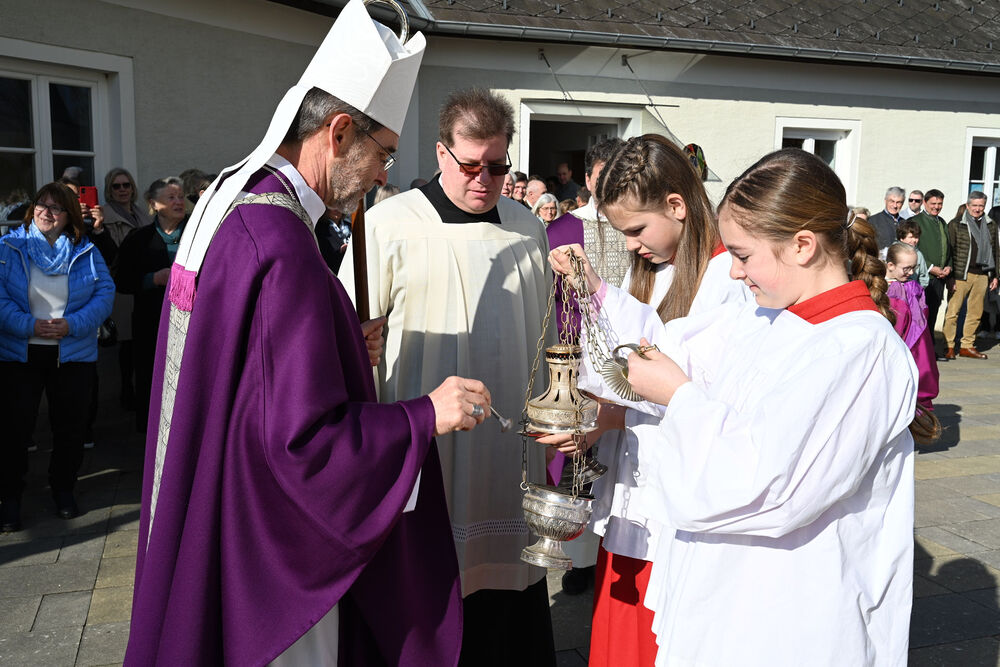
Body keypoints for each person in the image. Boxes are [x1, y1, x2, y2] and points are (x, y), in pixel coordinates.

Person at [125, 2, 493, 664]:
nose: (384, 174)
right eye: (383, 152)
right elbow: (299, 447)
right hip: (267, 559)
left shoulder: (236, 204)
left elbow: (246, 374)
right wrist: (424, 416)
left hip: (211, 496)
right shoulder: (282, 242)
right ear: (340, 132)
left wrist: (342, 339)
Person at [548, 147, 936, 666]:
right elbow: (666, 347)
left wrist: (678, 397)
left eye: (743, 255)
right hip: (729, 599)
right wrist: (596, 296)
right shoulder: (763, 317)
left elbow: (766, 485)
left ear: (802, 246)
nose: (732, 272)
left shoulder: (859, 350)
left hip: (788, 611)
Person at [341, 87, 555, 666]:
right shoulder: (388, 225)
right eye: (470, 165)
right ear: (441, 153)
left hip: (508, 449)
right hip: (425, 441)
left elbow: (545, 336)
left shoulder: (526, 227)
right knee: (431, 581)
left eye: (498, 167)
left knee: (508, 596)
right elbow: (348, 337)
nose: (485, 180)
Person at [546, 134, 749, 666]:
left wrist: (598, 292)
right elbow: (628, 369)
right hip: (636, 488)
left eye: (636, 230)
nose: (631, 245)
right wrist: (596, 416)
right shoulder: (657, 270)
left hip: (678, 500)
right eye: (622, 233)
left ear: (677, 205)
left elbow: (685, 381)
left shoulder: (726, 278)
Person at [0, 182, 114, 532]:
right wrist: (29, 325)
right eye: (41, 205)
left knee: (71, 428)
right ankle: (10, 499)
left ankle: (64, 489)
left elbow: (105, 293)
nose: (46, 213)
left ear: (69, 216)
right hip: (20, 354)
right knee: (14, 431)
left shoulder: (86, 249)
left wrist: (73, 324)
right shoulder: (9, 247)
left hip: (73, 354)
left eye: (55, 208)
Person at [114, 177, 187, 433]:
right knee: (151, 377)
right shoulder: (138, 238)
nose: (179, 202)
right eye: (171, 197)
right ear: (154, 204)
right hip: (151, 323)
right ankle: (152, 434)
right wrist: (153, 279)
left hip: (191, 322)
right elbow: (121, 279)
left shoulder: (198, 234)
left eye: (181, 196)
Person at [99, 168, 153, 409]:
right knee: (126, 341)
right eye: (116, 186)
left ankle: (140, 390)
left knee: (141, 339)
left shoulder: (143, 213)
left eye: (126, 185)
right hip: (119, 283)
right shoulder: (104, 216)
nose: (122, 190)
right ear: (109, 190)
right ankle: (126, 390)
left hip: (144, 282)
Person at [942, 191, 998, 359]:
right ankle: (949, 346)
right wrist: (950, 276)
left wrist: (995, 275)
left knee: (975, 313)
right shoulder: (956, 224)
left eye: (981, 205)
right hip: (961, 274)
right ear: (967, 205)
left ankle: (967, 346)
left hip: (982, 274)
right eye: (974, 205)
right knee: (953, 312)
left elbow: (996, 251)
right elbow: (949, 251)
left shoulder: (991, 224)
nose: (977, 209)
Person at [886, 241, 939, 411]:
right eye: (906, 268)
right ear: (890, 265)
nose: (911, 273)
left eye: (914, 268)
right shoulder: (888, 290)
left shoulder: (912, 288)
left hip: (914, 347)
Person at [912, 189, 950, 355]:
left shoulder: (942, 222)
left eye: (939, 204)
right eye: (933, 203)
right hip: (922, 277)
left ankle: (929, 349)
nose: (936, 207)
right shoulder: (916, 222)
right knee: (921, 314)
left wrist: (948, 266)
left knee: (933, 313)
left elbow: (948, 248)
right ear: (925, 203)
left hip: (940, 278)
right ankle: (920, 350)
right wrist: (930, 267)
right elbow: (912, 248)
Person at [869, 186, 905, 253]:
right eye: (892, 201)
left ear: (902, 203)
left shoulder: (905, 223)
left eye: (898, 202)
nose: (895, 206)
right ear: (885, 201)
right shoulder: (872, 221)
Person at [896, 219, 929, 287]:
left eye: (916, 237)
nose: (914, 240)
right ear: (901, 238)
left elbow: (923, 276)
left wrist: (919, 289)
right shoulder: (894, 251)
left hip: (913, 290)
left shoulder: (918, 254)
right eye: (910, 237)